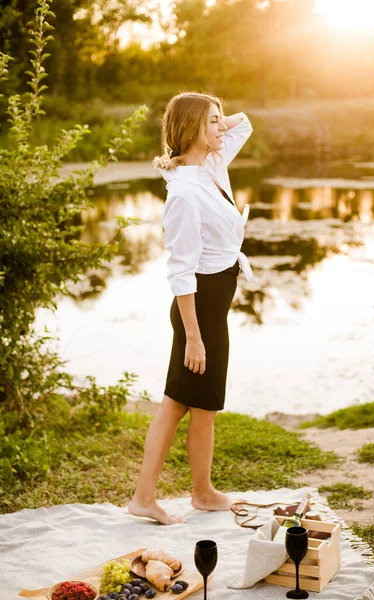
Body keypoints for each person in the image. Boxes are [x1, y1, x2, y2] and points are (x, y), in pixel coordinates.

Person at [128, 91, 255, 525]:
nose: (223, 127)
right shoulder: (183, 192)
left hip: (213, 306)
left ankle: (202, 491)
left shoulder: (211, 166)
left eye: (220, 121)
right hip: (197, 310)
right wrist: (195, 337)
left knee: (201, 406)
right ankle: (146, 497)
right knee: (177, 404)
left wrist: (211, 114)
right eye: (213, 122)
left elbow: (245, 124)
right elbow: (181, 272)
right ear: (193, 130)